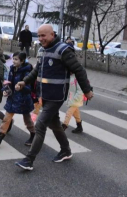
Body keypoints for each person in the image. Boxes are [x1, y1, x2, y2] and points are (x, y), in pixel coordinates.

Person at [14, 24, 93, 171]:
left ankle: (29, 160)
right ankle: (66, 150)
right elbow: (37, 70)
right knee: (55, 124)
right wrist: (24, 81)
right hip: (45, 94)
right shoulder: (43, 49)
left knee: (40, 125)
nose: (41, 38)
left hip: (57, 95)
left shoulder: (63, 50)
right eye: (39, 35)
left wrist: (87, 90)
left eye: (44, 35)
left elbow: (79, 70)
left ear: (52, 34)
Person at [0, 52, 35, 147]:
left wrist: (21, 87)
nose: (14, 61)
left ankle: (34, 135)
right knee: (6, 118)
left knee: (27, 120)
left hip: (23, 100)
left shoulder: (27, 72)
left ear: (22, 61)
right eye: (13, 59)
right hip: (12, 99)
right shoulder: (12, 68)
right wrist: (5, 90)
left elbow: (29, 88)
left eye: (16, 59)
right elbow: (8, 83)